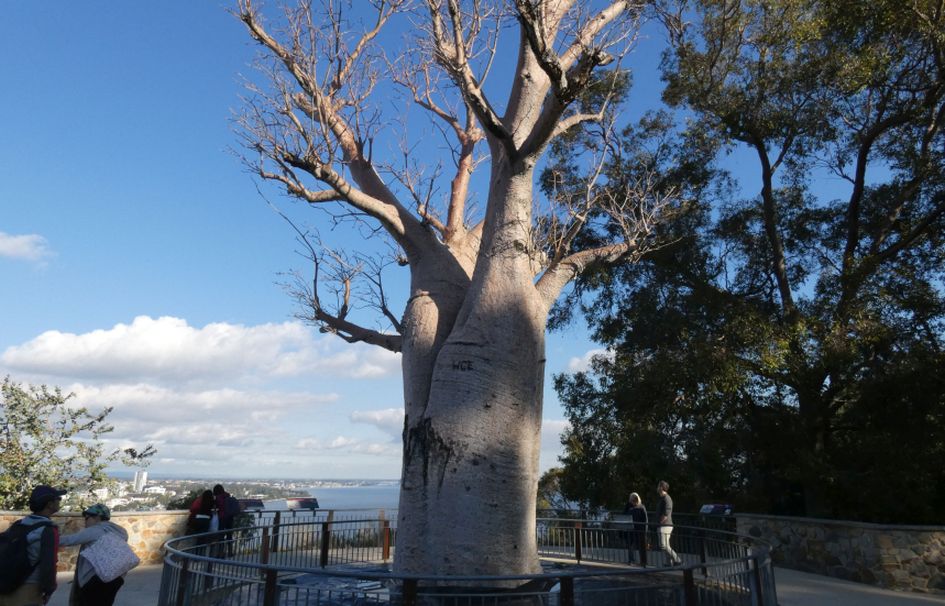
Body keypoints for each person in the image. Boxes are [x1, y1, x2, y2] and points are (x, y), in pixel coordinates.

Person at [0, 485, 66, 606]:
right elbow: (49, 563)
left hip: (6, 583)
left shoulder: (19, 524)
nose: (59, 501)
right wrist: (49, 588)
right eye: (58, 499)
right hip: (29, 589)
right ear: (49, 504)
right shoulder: (48, 529)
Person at [59, 504, 129, 606]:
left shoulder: (96, 530)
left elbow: (70, 540)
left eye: (87, 518)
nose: (85, 522)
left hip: (95, 579)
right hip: (116, 577)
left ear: (97, 517)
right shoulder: (120, 531)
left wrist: (48, 537)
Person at [657, 480, 682, 566]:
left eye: (658, 486)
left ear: (661, 487)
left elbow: (666, 513)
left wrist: (660, 523)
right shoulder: (662, 498)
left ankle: (677, 559)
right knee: (666, 545)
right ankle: (669, 562)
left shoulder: (667, 498)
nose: (657, 488)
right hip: (662, 524)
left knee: (663, 545)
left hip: (665, 525)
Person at [623, 492, 648, 564]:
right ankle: (631, 560)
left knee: (641, 546)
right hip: (631, 529)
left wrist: (645, 530)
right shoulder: (628, 506)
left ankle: (643, 562)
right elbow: (624, 515)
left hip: (640, 529)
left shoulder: (642, 507)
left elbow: (645, 519)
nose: (633, 502)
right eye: (631, 501)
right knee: (630, 545)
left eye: (634, 501)